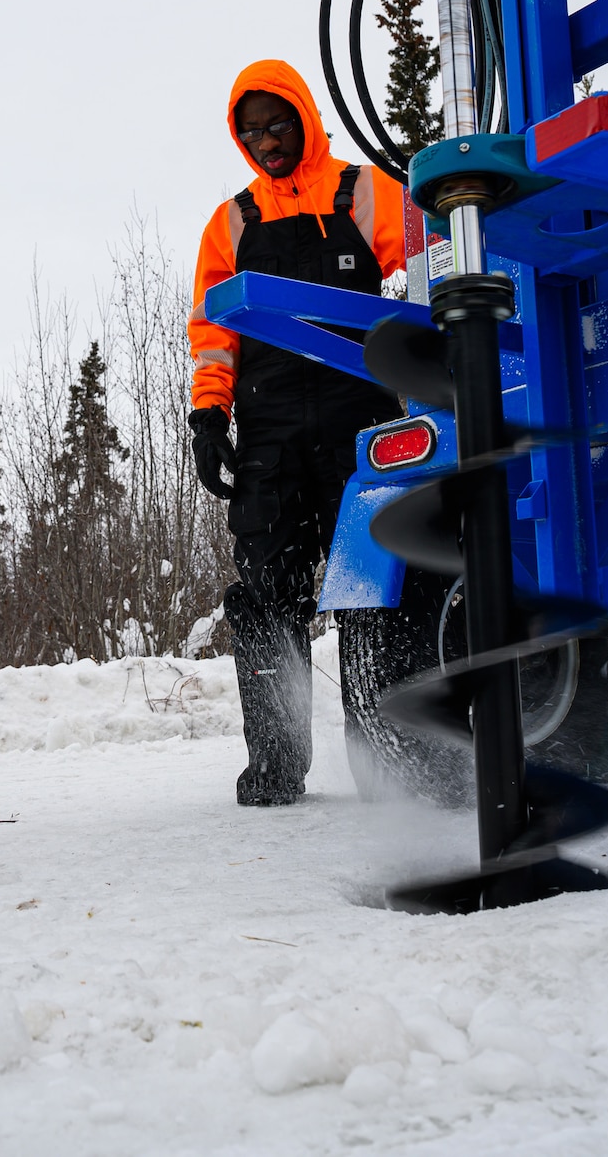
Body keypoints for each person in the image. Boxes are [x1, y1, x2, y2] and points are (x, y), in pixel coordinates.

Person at [187, 60, 407, 806]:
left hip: (364, 421)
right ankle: (276, 767)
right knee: (267, 594)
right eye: (251, 131)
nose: (266, 141)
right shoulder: (232, 222)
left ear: (303, 117)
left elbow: (420, 280)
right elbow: (212, 332)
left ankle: (390, 761)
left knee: (375, 591)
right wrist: (208, 415)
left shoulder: (365, 191)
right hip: (271, 430)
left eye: (277, 124)